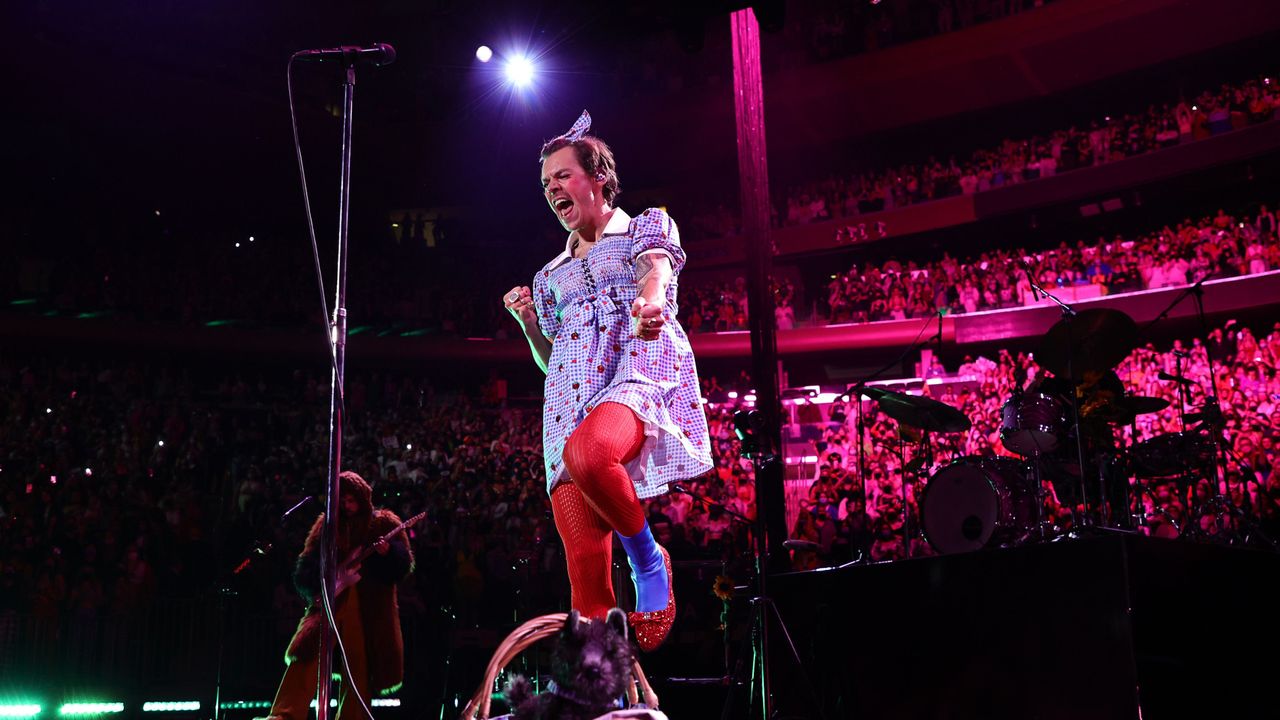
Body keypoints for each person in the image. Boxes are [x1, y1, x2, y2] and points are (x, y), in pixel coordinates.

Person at [502, 110, 713, 651]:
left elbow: (657, 270)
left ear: (598, 178)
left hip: (635, 375)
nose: (552, 190)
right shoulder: (548, 276)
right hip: (566, 406)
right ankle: (599, 698)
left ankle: (648, 559)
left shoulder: (645, 225)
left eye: (563, 176)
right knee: (586, 586)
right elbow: (551, 361)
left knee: (592, 455)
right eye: (546, 183)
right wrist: (529, 325)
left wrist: (651, 301)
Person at [258, 471, 414, 720]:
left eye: (352, 500)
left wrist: (388, 553)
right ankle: (285, 714)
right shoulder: (328, 524)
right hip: (333, 600)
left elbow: (403, 564)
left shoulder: (383, 523)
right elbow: (306, 566)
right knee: (307, 655)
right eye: (343, 500)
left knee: (358, 665)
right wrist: (322, 582)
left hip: (366, 607)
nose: (347, 506)